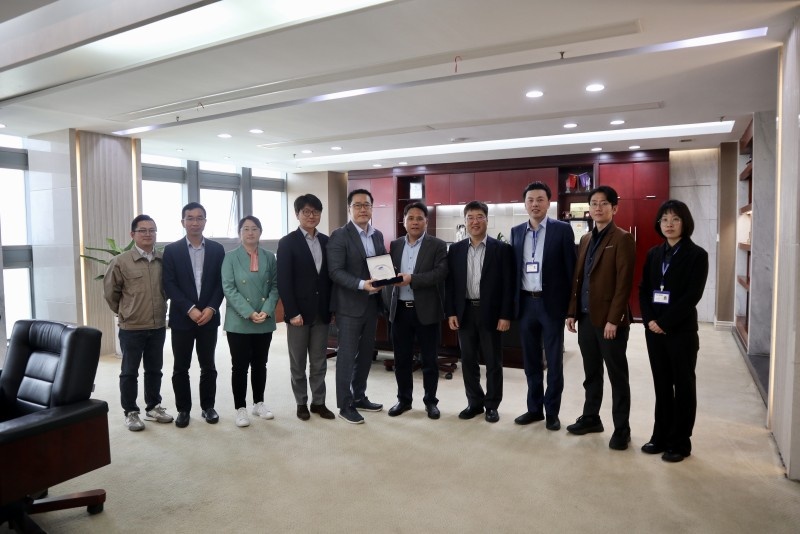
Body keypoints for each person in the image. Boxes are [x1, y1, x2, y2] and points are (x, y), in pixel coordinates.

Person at [566, 185, 636, 450]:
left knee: (617, 376)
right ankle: (591, 418)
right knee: (591, 373)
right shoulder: (585, 238)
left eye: (604, 203)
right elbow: (579, 279)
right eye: (594, 203)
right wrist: (572, 312)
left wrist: (614, 319)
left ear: (614, 208)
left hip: (610, 323)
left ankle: (622, 429)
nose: (598, 208)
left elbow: (624, 283)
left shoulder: (622, 238)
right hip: (586, 318)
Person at [639, 200, 708, 463]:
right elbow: (644, 290)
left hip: (681, 332)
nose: (669, 224)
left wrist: (665, 322)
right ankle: (660, 436)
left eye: (675, 219)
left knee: (684, 386)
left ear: (685, 223)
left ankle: (680, 442)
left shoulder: (697, 255)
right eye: (664, 219)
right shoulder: (654, 254)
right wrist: (649, 320)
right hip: (654, 331)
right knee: (662, 385)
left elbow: (692, 295)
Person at [510, 182, 576, 431]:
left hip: (552, 305)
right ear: (525, 204)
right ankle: (534, 409)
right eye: (530, 200)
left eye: (540, 199)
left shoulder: (562, 230)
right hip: (526, 303)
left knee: (554, 362)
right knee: (531, 361)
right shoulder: (517, 231)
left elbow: (571, 271)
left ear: (549, 203)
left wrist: (571, 309)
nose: (535, 204)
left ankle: (552, 412)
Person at [445, 200, 514, 423]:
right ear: (465, 222)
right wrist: (451, 312)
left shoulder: (501, 249)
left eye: (479, 217)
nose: (475, 222)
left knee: (493, 361)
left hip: (491, 313)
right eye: (470, 218)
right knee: (468, 360)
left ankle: (492, 405)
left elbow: (508, 285)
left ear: (487, 219)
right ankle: (474, 403)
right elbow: (450, 284)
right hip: (465, 311)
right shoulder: (455, 250)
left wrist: (505, 315)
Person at [103, 214, 173, 431]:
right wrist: (125, 312)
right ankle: (131, 412)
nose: (148, 234)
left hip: (158, 324)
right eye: (142, 230)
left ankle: (153, 407)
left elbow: (168, 289)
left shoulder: (163, 260)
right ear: (132, 234)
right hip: (132, 327)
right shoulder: (120, 261)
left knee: (155, 369)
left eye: (152, 230)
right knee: (129, 371)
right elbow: (111, 294)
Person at [162, 202, 225, 428]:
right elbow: (169, 284)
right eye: (190, 218)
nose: (195, 222)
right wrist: (189, 308)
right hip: (182, 318)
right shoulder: (171, 250)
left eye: (199, 218)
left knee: (208, 365)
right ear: (183, 222)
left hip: (209, 317)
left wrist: (211, 308)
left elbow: (221, 283)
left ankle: (208, 407)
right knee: (181, 367)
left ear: (205, 222)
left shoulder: (217, 249)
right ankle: (183, 409)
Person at [327, 188, 387, 424]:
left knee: (365, 355)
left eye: (367, 205)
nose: (363, 209)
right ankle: (345, 405)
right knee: (347, 355)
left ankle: (359, 396)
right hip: (349, 306)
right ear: (349, 209)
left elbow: (381, 264)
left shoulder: (377, 235)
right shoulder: (339, 235)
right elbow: (335, 271)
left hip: (372, 304)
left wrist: (386, 279)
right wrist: (362, 285)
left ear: (372, 208)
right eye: (358, 205)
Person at [385, 202, 448, 419]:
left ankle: (431, 401)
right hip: (400, 311)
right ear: (404, 222)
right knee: (401, 360)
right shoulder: (395, 245)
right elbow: (389, 273)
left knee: (429, 360)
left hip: (427, 311)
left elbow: (440, 273)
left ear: (426, 222)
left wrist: (412, 279)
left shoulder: (437, 245)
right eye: (410, 218)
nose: (415, 222)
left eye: (419, 218)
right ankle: (404, 400)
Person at [277, 194, 335, 421]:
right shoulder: (288, 242)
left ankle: (318, 402)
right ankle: (301, 402)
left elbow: (329, 279)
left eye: (316, 212)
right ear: (297, 214)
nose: (311, 216)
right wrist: (292, 312)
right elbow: (284, 281)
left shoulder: (327, 241)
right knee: (298, 362)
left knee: (319, 362)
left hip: (321, 312)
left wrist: (331, 308)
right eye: (306, 212)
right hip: (298, 314)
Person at [221, 215, 279, 428]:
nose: (250, 232)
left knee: (260, 364)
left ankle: (258, 403)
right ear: (240, 233)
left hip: (264, 319)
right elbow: (228, 288)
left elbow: (275, 286)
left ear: (260, 232)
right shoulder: (230, 257)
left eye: (254, 228)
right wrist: (249, 312)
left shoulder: (269, 257)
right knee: (239, 366)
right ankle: (240, 408)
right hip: (239, 320)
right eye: (245, 229)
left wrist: (266, 310)